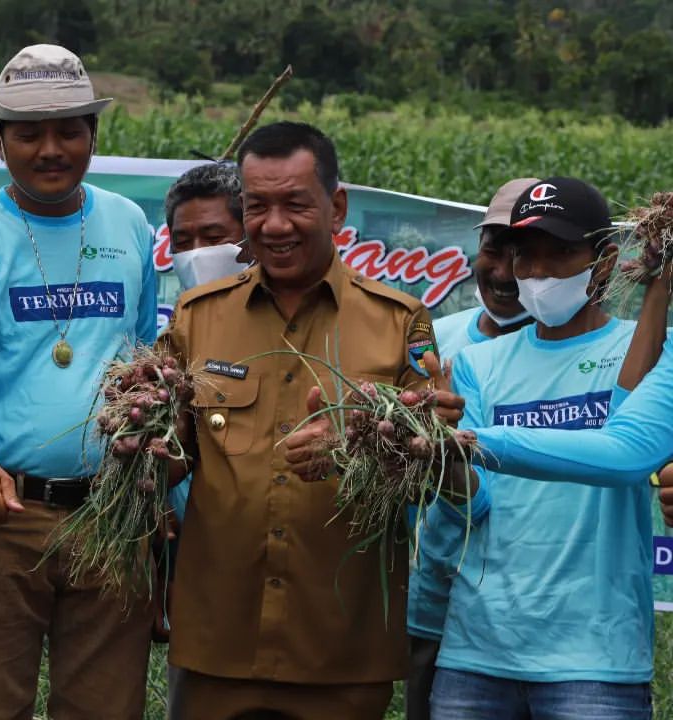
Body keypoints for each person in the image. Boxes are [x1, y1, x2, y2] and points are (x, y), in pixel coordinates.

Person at [159, 120, 468, 719]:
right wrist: (137, 437)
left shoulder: (400, 322)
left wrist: (389, 444)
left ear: (337, 206)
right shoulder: (197, 317)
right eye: (257, 206)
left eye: (296, 204)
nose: (274, 226)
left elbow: (444, 482)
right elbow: (171, 459)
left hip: (341, 649)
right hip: (217, 642)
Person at [0, 44, 158, 719]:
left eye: (68, 130)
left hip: (113, 513)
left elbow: (142, 360)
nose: (50, 149)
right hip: (2, 514)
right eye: (28, 133)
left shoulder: (130, 224)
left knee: (106, 707)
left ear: (94, 133)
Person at [429, 177, 653, 719]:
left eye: (561, 254)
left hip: (595, 661)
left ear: (604, 260)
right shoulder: (478, 365)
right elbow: (476, 504)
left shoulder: (643, 351)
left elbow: (630, 455)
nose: (540, 273)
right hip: (477, 652)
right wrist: (442, 458)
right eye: (527, 256)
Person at [405, 176, 536, 720]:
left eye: (524, 254)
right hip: (436, 604)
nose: (503, 271)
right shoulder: (432, 339)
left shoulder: (600, 353)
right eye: (492, 250)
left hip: (543, 614)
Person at [165, 162, 247, 292]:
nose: (196, 254)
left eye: (214, 237)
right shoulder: (181, 312)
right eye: (182, 242)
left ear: (248, 234)